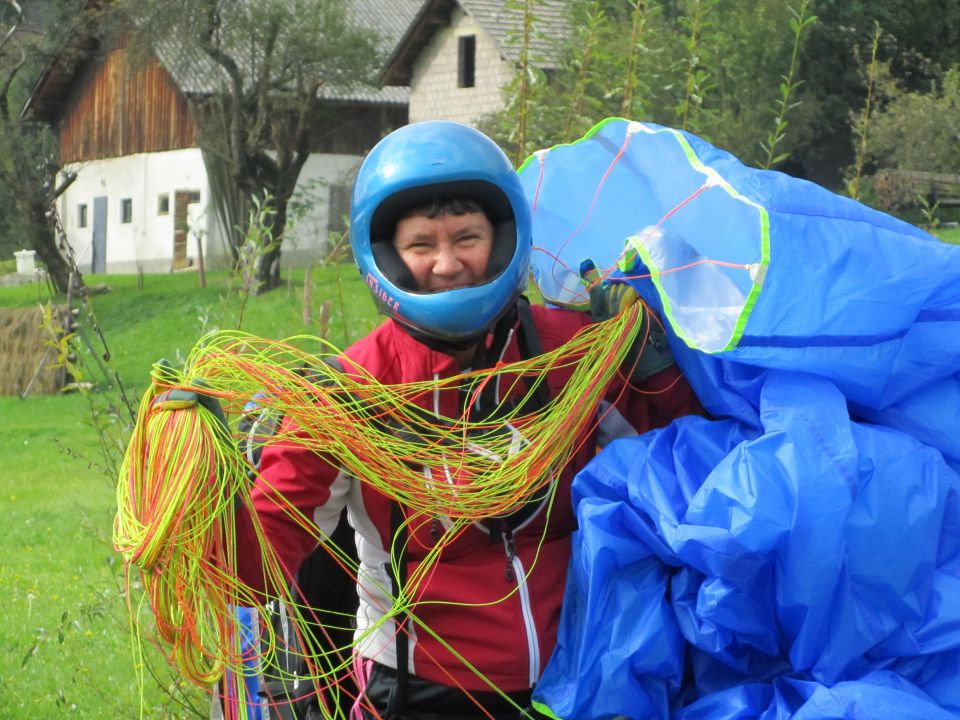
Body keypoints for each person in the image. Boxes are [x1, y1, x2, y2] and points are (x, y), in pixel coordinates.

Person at [233, 121, 702, 720]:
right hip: (420, 692)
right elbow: (255, 570)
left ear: (504, 238)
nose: (448, 264)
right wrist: (198, 489)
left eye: (467, 237)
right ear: (385, 257)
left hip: (584, 677)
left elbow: (697, 472)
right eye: (421, 244)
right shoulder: (346, 396)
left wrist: (661, 367)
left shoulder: (576, 355)